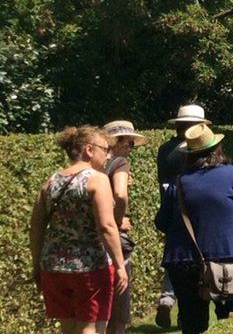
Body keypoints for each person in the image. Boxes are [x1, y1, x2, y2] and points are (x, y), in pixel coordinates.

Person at [155, 124, 233, 334]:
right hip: (228, 255)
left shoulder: (179, 183)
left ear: (187, 156)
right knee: (232, 320)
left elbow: (162, 222)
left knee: (193, 325)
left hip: (184, 261)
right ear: (217, 149)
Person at [29, 126, 129, 334]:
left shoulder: (51, 181)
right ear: (89, 150)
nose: (108, 155)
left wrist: (37, 264)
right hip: (90, 267)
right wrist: (120, 265)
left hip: (53, 267)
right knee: (91, 327)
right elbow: (107, 226)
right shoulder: (97, 179)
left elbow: (36, 226)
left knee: (68, 329)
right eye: (105, 149)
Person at [154, 104, 210, 327]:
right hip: (193, 209)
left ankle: (168, 298)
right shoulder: (193, 150)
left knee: (176, 257)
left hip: (170, 209)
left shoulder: (164, 150)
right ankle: (189, 309)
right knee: (195, 260)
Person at [101, 121, 148, 334]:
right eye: (128, 143)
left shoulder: (90, 166)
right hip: (112, 241)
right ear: (116, 143)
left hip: (91, 245)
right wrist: (118, 221)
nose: (130, 148)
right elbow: (120, 195)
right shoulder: (119, 163)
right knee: (118, 315)